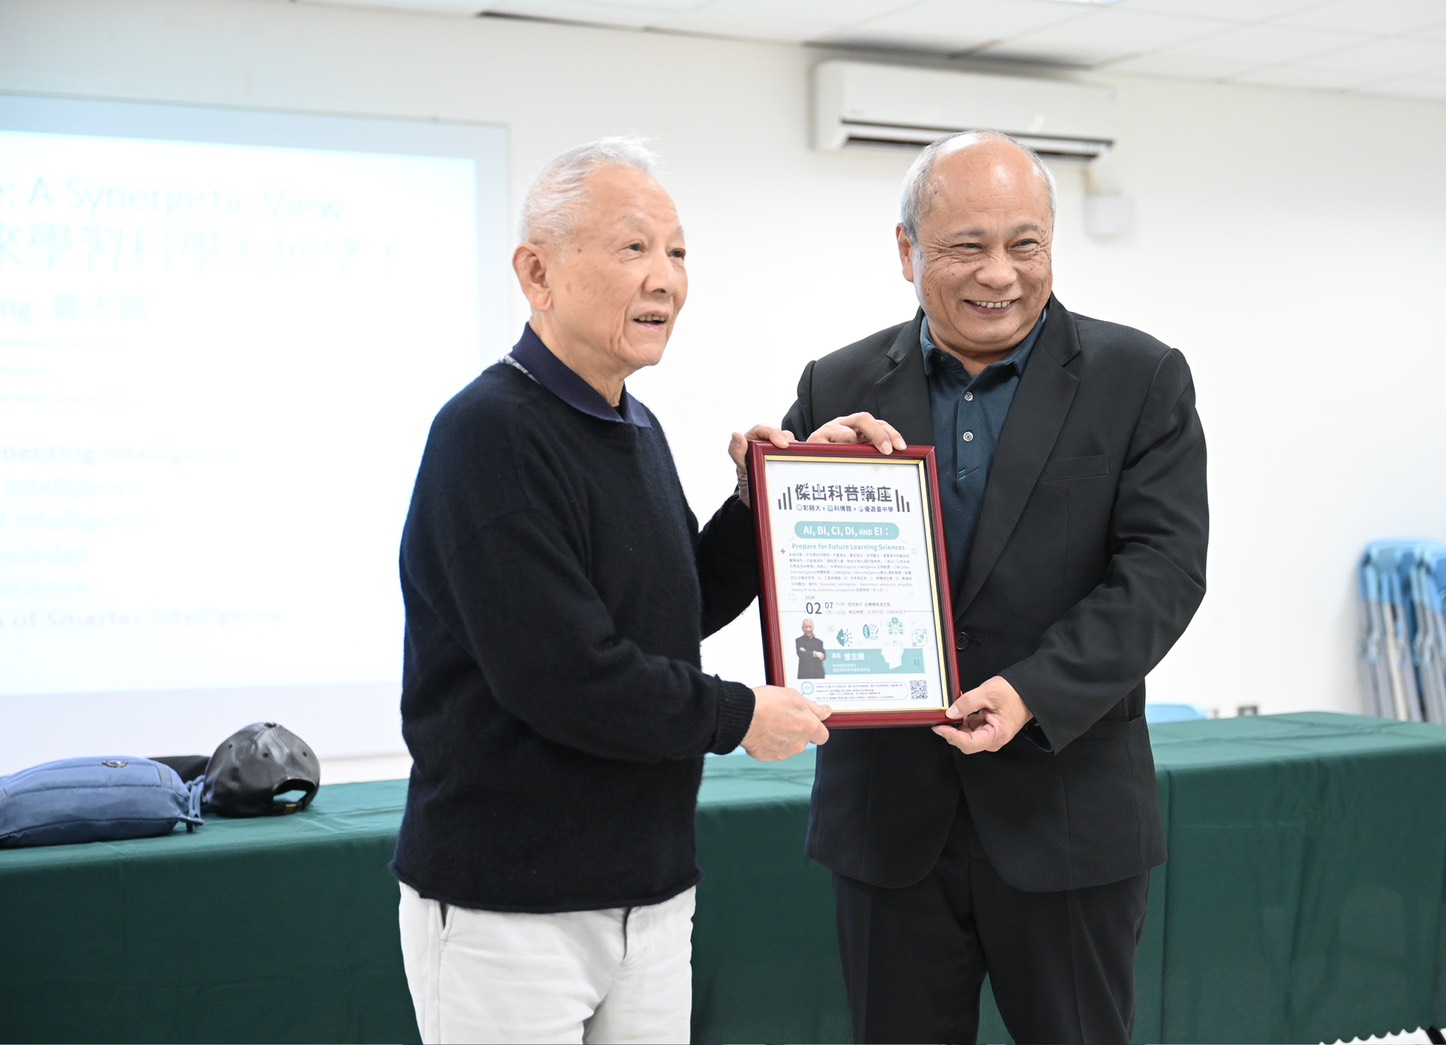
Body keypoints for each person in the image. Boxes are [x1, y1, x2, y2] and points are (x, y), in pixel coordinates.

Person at [391, 137, 831, 1045]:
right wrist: (738, 714)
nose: (664, 277)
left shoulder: (637, 425)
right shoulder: (487, 433)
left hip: (651, 895)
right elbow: (565, 675)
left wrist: (762, 503)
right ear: (537, 273)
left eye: (677, 251)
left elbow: (670, 612)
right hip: (510, 912)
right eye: (634, 247)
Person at [780, 130, 1209, 1045]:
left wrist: (1030, 691)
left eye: (1025, 244)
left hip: (1067, 813)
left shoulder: (1139, 377)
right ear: (907, 250)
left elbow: (1163, 571)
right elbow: (783, 565)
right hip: (888, 821)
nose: (999, 274)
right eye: (966, 246)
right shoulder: (836, 384)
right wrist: (772, 477)